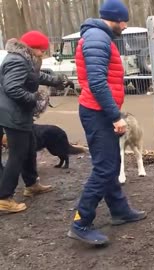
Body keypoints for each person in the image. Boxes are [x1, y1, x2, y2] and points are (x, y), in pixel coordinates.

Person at [67, 0, 146, 246]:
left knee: (109, 163)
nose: (125, 25)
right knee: (104, 167)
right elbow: (97, 82)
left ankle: (120, 210)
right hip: (98, 113)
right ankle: (81, 222)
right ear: (115, 19)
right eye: (124, 21)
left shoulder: (99, 37)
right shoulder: (97, 39)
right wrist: (115, 116)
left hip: (99, 110)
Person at [0, 31, 69, 213]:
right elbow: (12, 88)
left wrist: (58, 82)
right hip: (13, 115)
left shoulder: (25, 60)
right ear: (34, 48)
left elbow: (36, 76)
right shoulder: (16, 61)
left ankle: (31, 184)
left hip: (20, 114)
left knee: (29, 147)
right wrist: (35, 99)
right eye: (42, 51)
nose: (43, 55)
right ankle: (4, 198)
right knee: (17, 154)